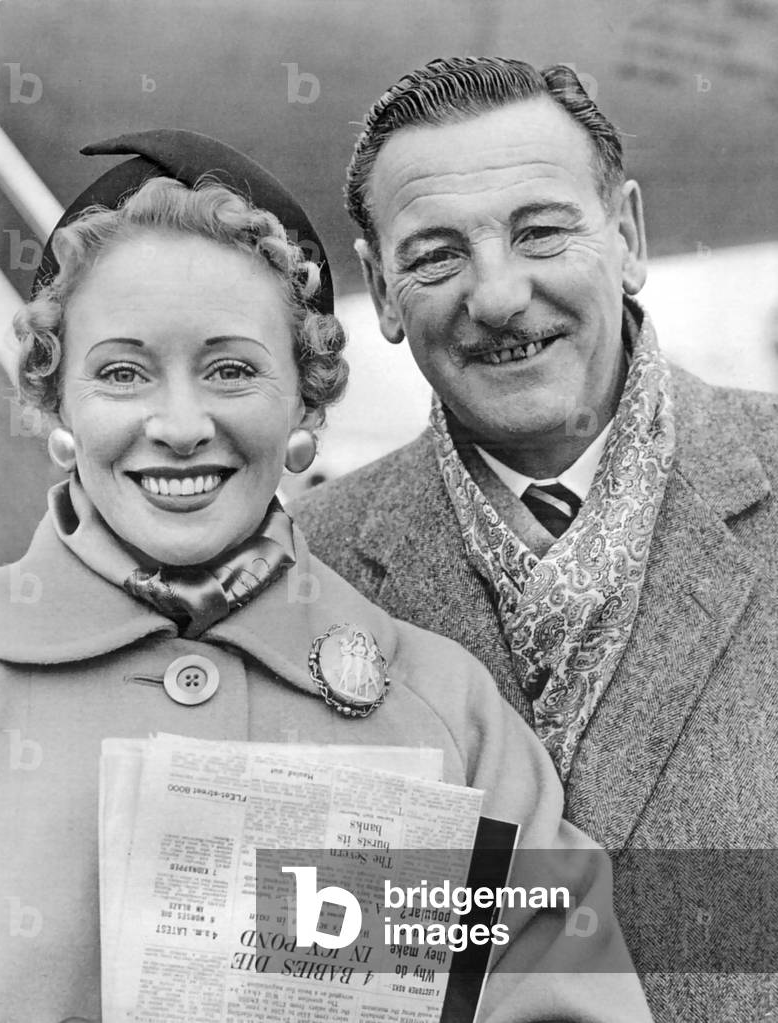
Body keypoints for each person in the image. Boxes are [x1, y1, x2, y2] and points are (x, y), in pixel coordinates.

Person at [0, 130, 651, 1023]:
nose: (181, 423)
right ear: (56, 399)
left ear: (305, 400)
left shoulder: (445, 713)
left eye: (232, 369)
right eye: (122, 372)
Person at [290, 58, 778, 1019]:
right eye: (435, 255)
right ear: (381, 290)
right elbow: (300, 932)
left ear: (628, 236)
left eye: (541, 231)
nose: (499, 295)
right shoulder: (310, 567)